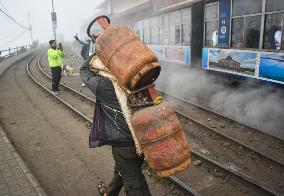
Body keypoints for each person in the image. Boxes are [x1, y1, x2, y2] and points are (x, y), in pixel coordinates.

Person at [80, 56, 152, 196]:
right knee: (127, 170)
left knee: (133, 182)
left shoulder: (103, 85)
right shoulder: (134, 81)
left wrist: (98, 50)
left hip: (123, 144)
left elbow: (84, 70)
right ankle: (109, 193)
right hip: (140, 139)